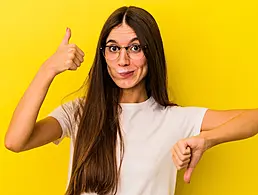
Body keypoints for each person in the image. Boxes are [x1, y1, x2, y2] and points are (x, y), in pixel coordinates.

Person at [4, 6, 257, 195]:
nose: (123, 61)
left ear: (151, 52)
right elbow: (15, 142)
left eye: (135, 48)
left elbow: (253, 118)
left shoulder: (175, 119)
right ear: (103, 56)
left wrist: (206, 139)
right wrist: (48, 69)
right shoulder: (80, 113)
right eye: (113, 48)